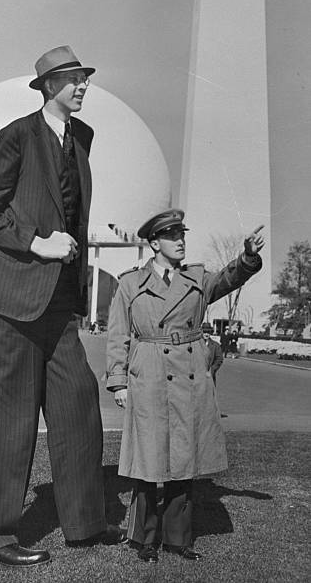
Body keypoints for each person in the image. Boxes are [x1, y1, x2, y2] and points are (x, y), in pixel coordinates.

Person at [0, 46, 124, 568]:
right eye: (73, 79)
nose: (82, 85)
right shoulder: (17, 135)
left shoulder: (81, 139)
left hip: (57, 303)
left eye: (85, 78)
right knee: (11, 423)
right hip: (6, 298)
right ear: (49, 86)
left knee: (79, 403)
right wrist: (36, 242)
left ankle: (85, 523)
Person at [106, 209, 264, 563]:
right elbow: (117, 335)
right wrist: (118, 382)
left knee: (183, 458)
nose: (180, 241)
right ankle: (145, 539)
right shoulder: (130, 283)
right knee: (148, 459)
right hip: (148, 373)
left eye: (182, 235)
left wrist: (248, 257)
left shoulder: (197, 278)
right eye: (172, 236)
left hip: (188, 374)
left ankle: (178, 539)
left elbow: (230, 278)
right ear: (154, 243)